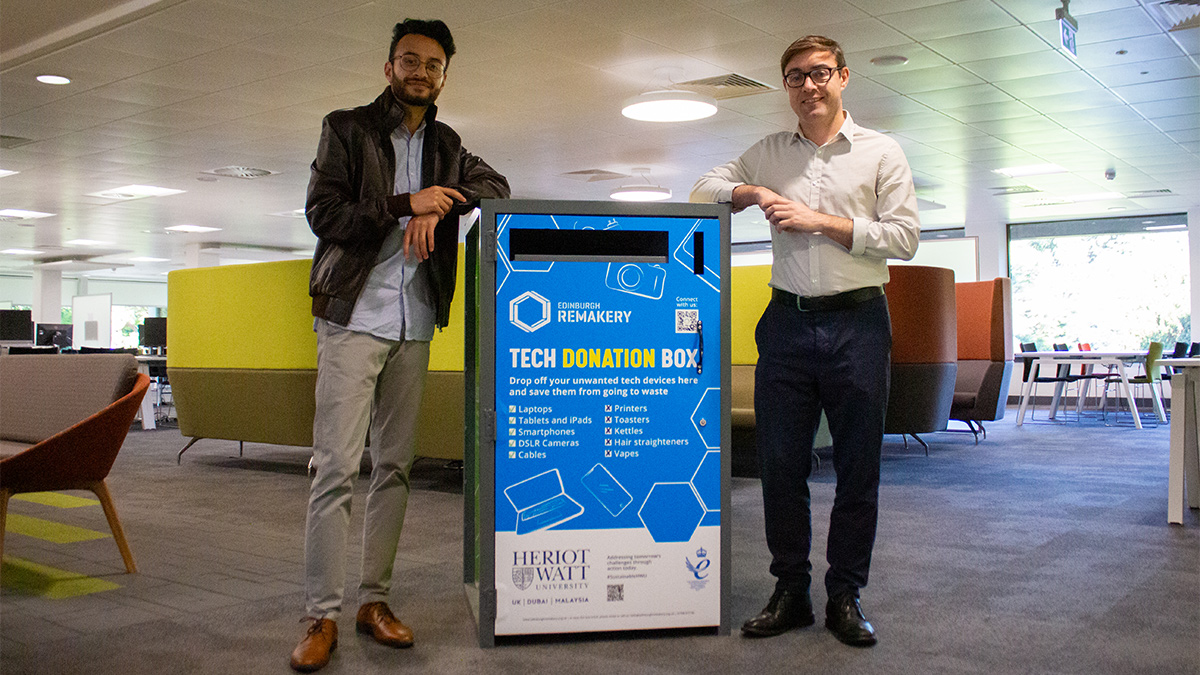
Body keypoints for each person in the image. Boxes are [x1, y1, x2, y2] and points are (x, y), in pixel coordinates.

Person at [290, 18, 509, 673]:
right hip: (353, 316)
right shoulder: (347, 128)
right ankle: (320, 611)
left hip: (416, 320)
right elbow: (323, 214)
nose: (421, 72)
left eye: (433, 64)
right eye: (410, 60)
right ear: (389, 68)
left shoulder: (448, 143)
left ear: (444, 75)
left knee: (394, 467)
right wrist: (401, 202)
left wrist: (440, 205)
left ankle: (372, 600)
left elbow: (494, 187)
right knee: (334, 468)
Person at [690, 35, 919, 647]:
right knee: (780, 466)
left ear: (843, 77)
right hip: (787, 324)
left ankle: (845, 594)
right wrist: (752, 193)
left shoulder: (880, 151)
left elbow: (903, 238)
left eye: (820, 74)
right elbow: (702, 189)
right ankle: (791, 590)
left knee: (857, 467)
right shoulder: (768, 152)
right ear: (786, 87)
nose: (808, 85)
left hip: (859, 322)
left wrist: (822, 221)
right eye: (795, 77)